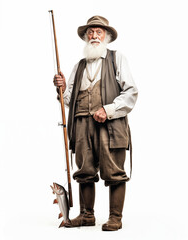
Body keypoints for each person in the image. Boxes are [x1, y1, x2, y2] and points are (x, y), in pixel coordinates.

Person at [53, 15, 138, 231]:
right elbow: (68, 100)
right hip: (81, 126)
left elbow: (131, 92)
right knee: (84, 170)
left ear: (106, 36)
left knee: (114, 170)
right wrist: (60, 87)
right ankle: (86, 215)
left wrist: (108, 110)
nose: (94, 35)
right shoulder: (79, 66)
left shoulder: (116, 58)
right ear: (85, 37)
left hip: (110, 125)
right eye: (90, 32)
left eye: (98, 32)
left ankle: (115, 217)